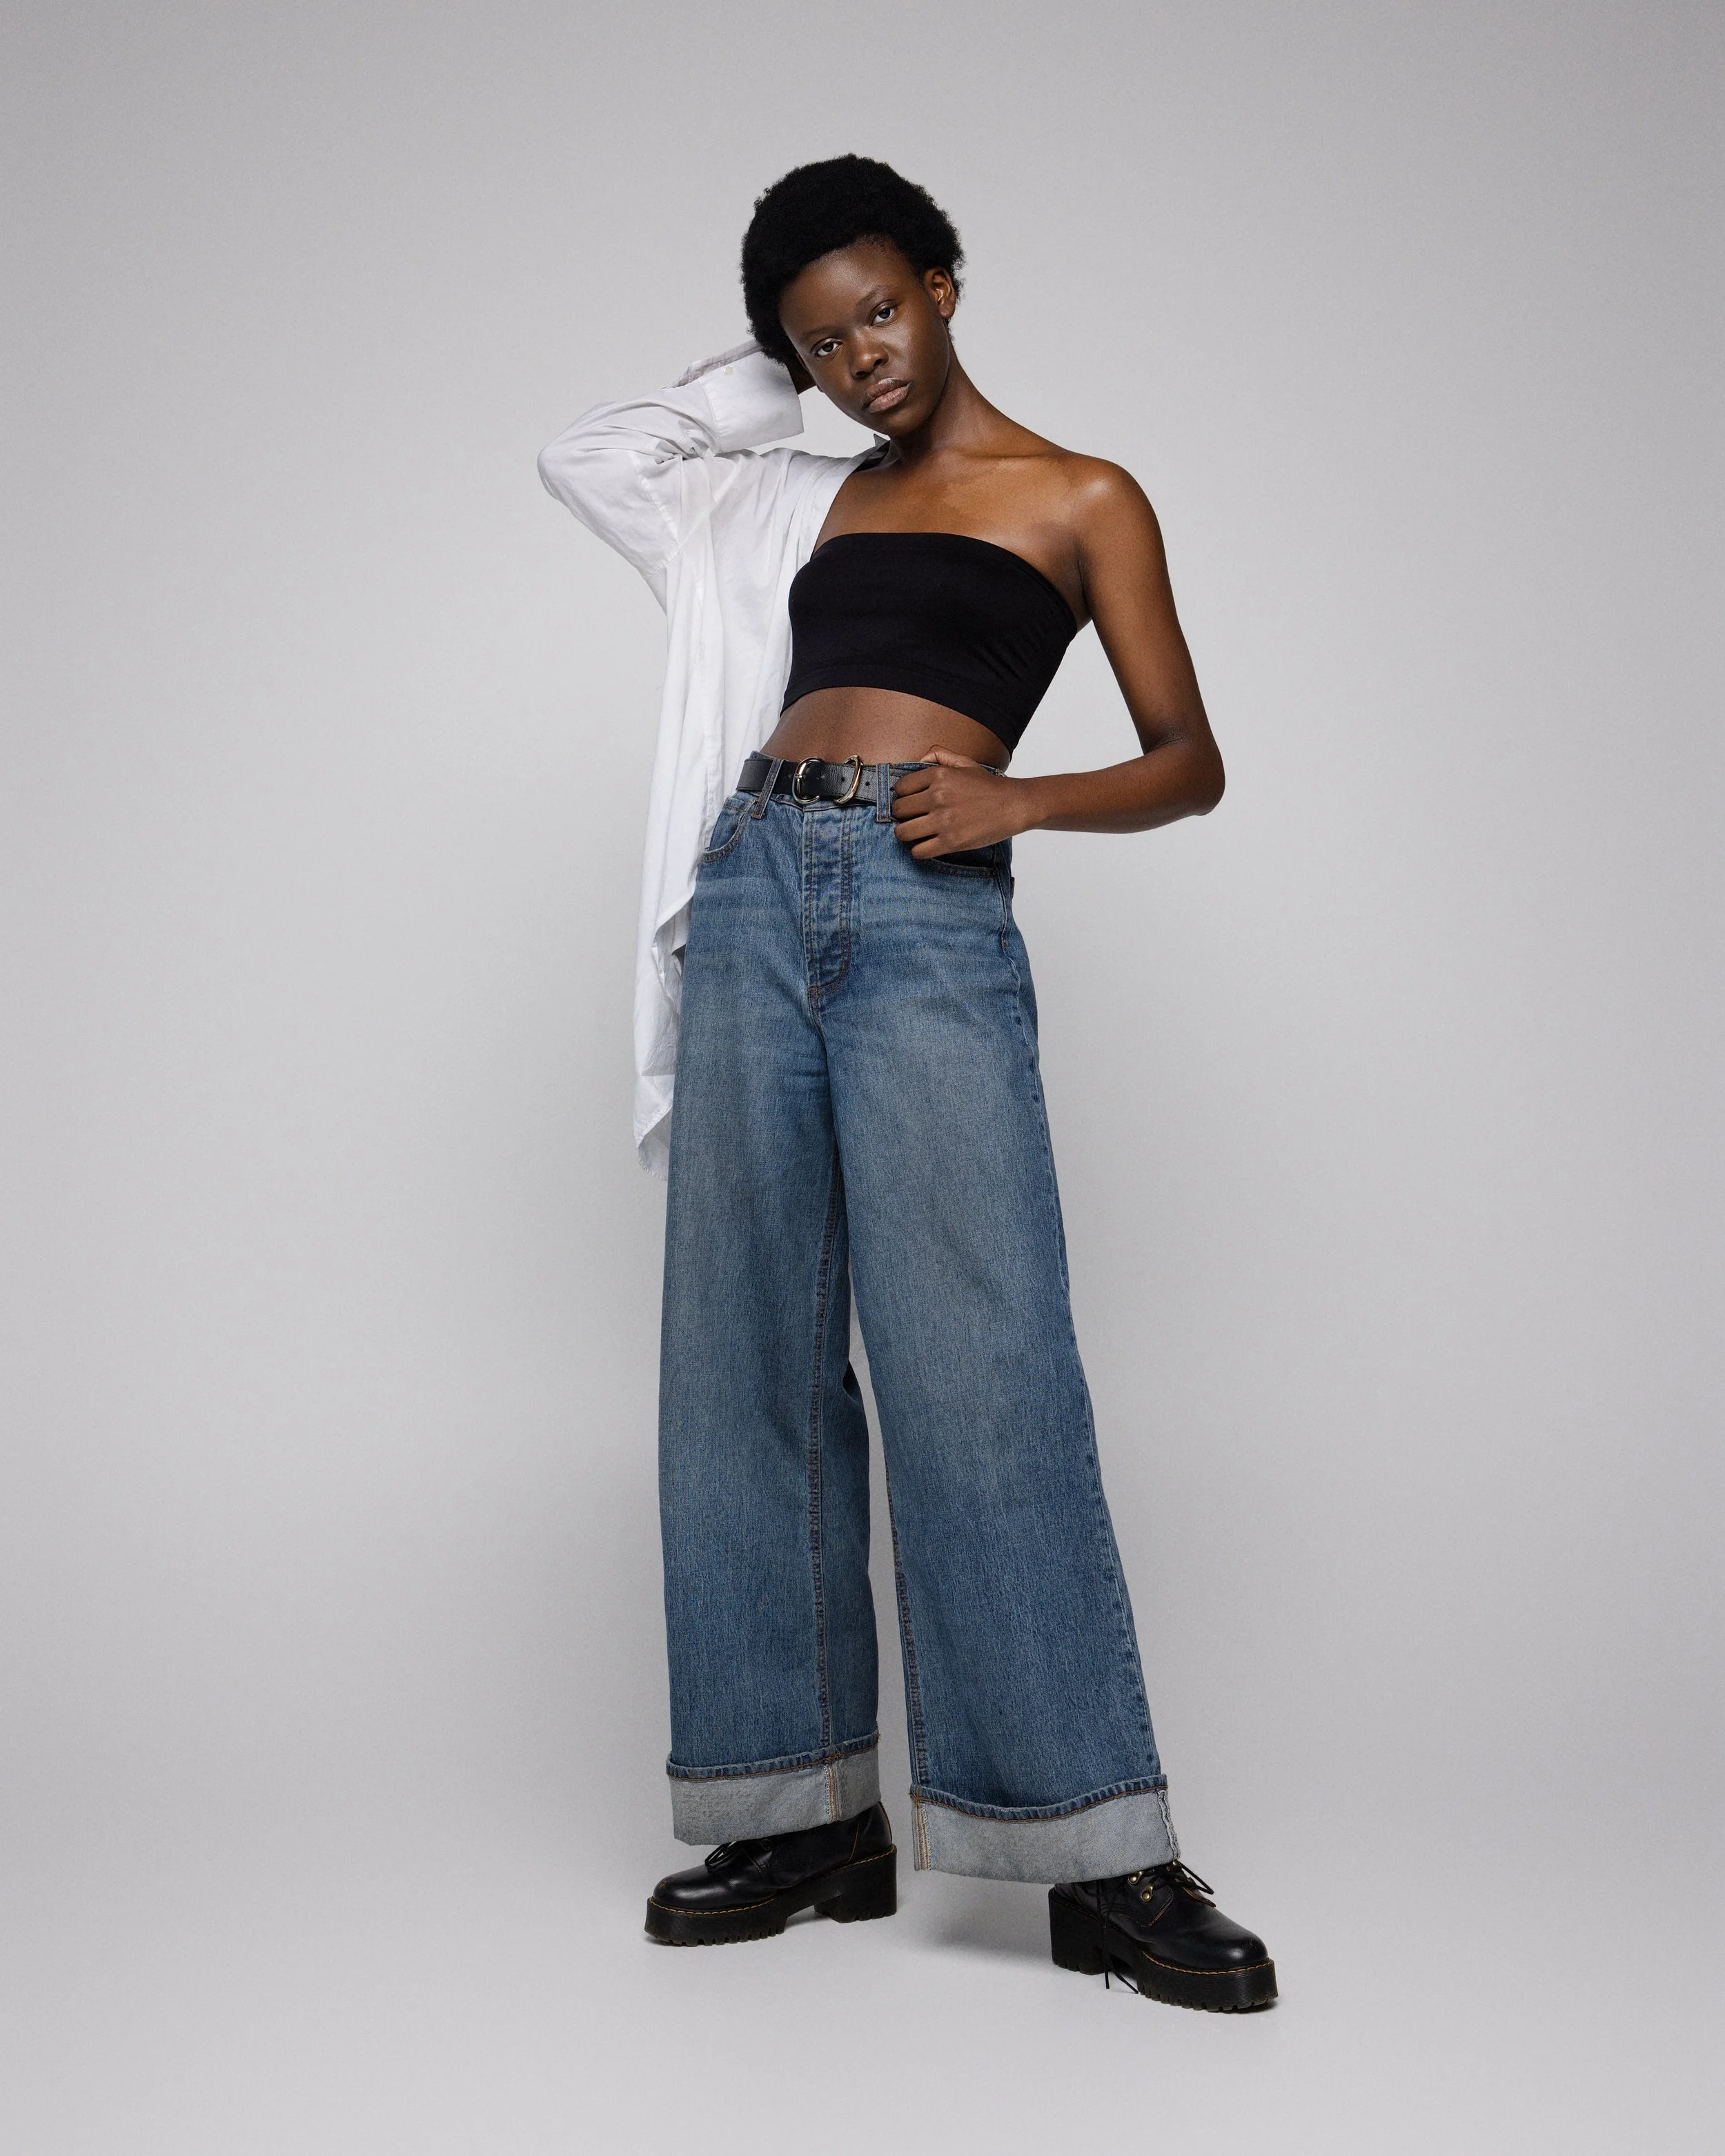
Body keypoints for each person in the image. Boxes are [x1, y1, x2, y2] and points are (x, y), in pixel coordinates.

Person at [539, 155, 1276, 2012]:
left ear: (943, 284)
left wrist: (1021, 797)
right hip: (749, 892)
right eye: (820, 339)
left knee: (978, 1356)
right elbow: (595, 457)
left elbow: (1187, 756)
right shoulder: (792, 497)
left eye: (875, 310)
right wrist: (760, 373)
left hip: (923, 900)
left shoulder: (1079, 494)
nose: (860, 357)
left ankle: (1092, 1851)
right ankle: (800, 1814)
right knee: (743, 1353)